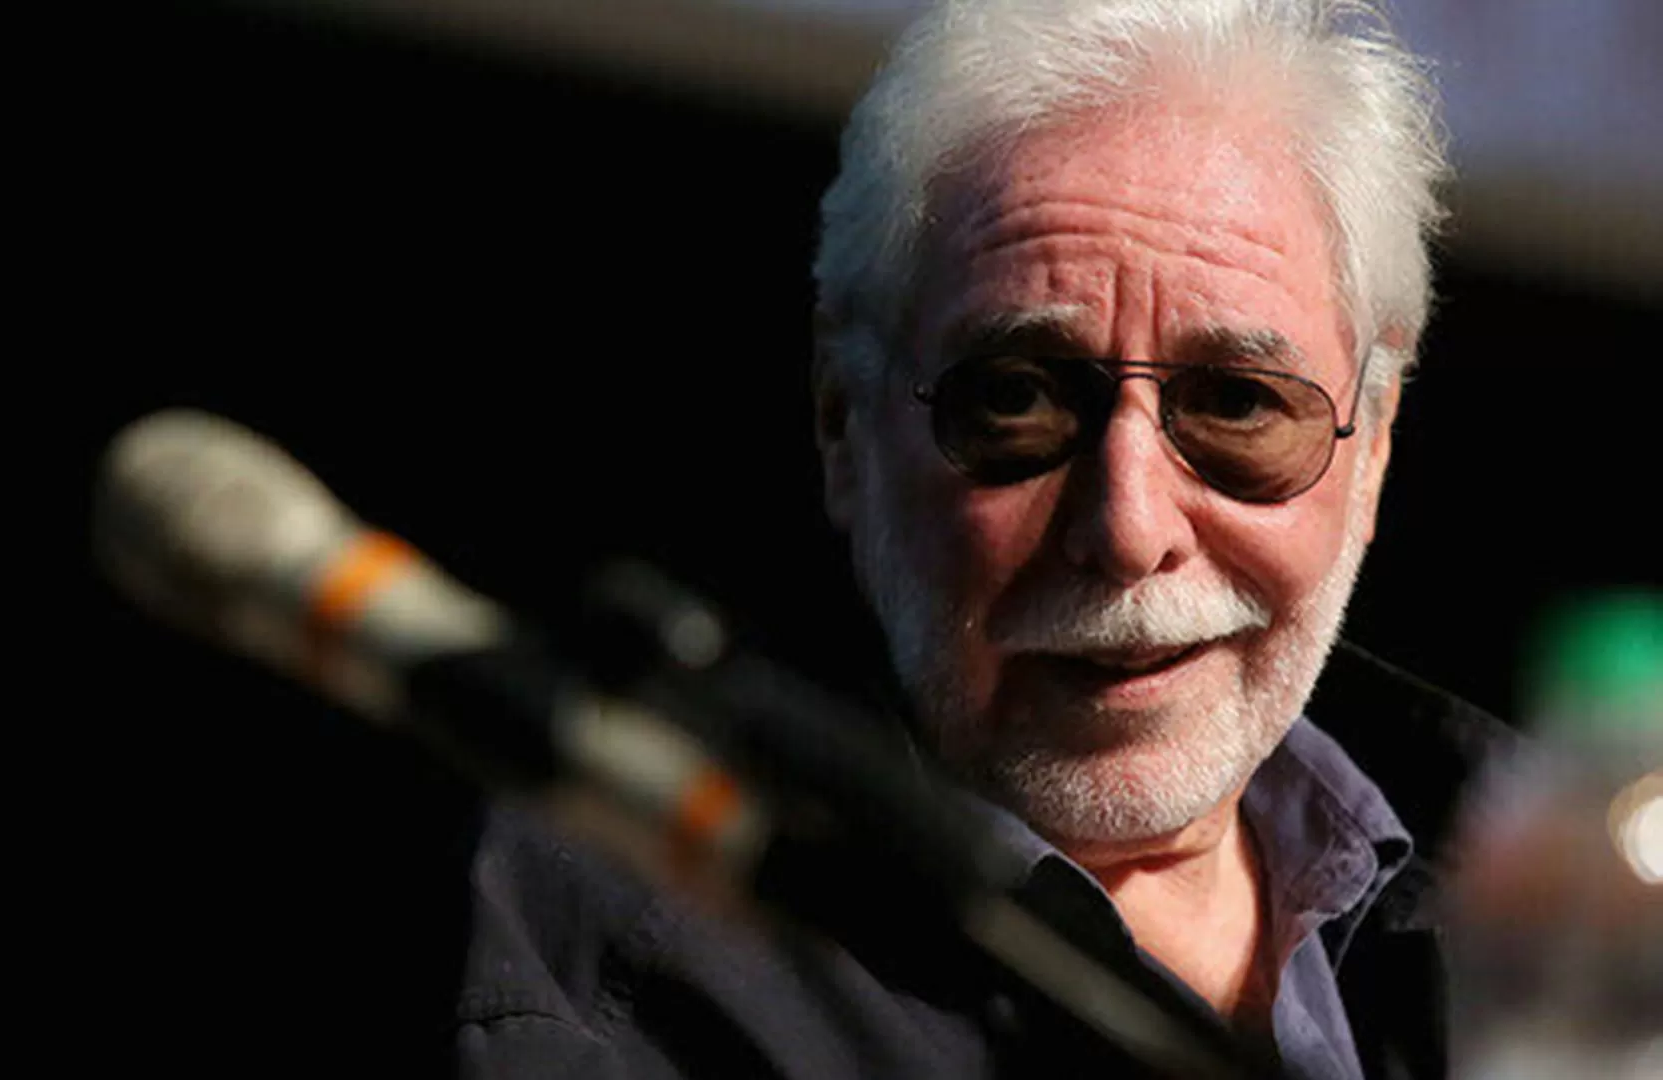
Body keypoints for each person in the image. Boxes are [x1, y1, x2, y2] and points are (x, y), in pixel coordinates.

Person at [454, 2, 1513, 1077]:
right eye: (1018, 398)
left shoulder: (1559, 908)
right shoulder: (616, 983)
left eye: (1238, 403)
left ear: (1373, 444)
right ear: (844, 422)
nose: (1129, 530)